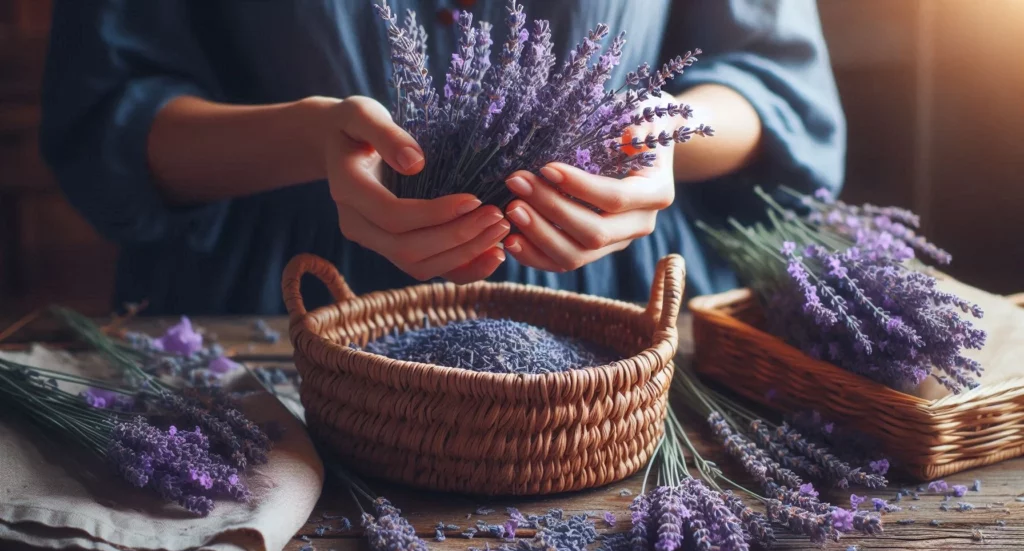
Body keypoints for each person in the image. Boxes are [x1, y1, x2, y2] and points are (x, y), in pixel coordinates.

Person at [39, 1, 844, 315]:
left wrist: (655, 132)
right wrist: (313, 140)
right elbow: (112, 111)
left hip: (616, 322)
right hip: (280, 327)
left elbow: (768, 82)